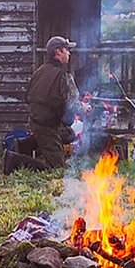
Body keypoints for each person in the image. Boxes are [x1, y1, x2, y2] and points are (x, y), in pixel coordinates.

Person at [25, 36, 81, 170]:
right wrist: (84, 108)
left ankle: (37, 142)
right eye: (66, 50)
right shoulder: (62, 75)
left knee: (70, 134)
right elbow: (72, 105)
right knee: (58, 167)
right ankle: (25, 150)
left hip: (36, 121)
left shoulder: (39, 71)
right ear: (58, 52)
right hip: (47, 126)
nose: (69, 53)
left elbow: (27, 97)